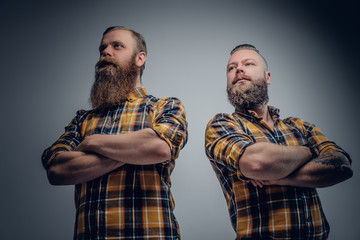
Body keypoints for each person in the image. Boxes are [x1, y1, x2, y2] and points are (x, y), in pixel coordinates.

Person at [42, 26, 188, 240]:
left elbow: (159, 147)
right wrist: (135, 153)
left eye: (117, 46)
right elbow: (56, 170)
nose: (106, 52)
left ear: (140, 58)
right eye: (103, 48)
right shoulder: (83, 119)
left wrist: (91, 142)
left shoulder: (164, 107)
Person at [205, 44, 353, 239]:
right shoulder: (222, 125)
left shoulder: (300, 127)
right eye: (231, 68)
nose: (238, 69)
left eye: (248, 63)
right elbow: (257, 163)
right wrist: (309, 151)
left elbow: (341, 166)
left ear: (268, 77)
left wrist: (276, 177)